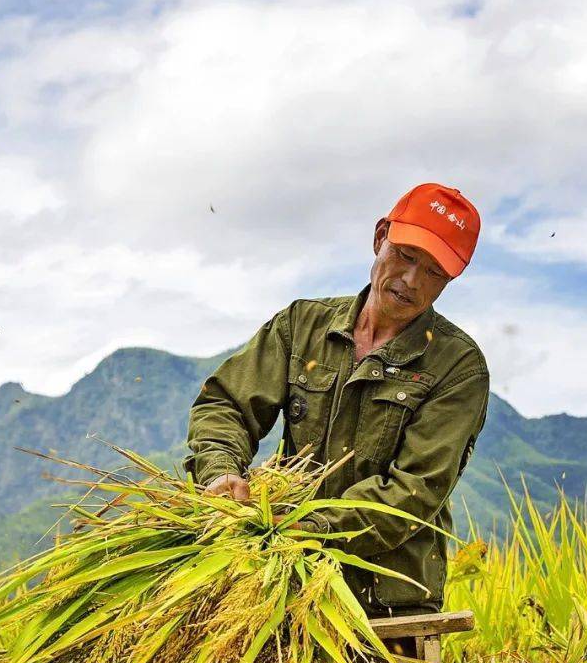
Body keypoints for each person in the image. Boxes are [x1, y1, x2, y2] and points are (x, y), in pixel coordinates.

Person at [186, 183, 489, 615]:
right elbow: (227, 405)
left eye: (434, 272)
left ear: (451, 278)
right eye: (406, 255)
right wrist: (221, 472)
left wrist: (302, 531)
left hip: (386, 600)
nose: (411, 281)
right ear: (380, 237)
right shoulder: (302, 326)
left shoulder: (457, 367)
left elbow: (414, 491)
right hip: (281, 582)